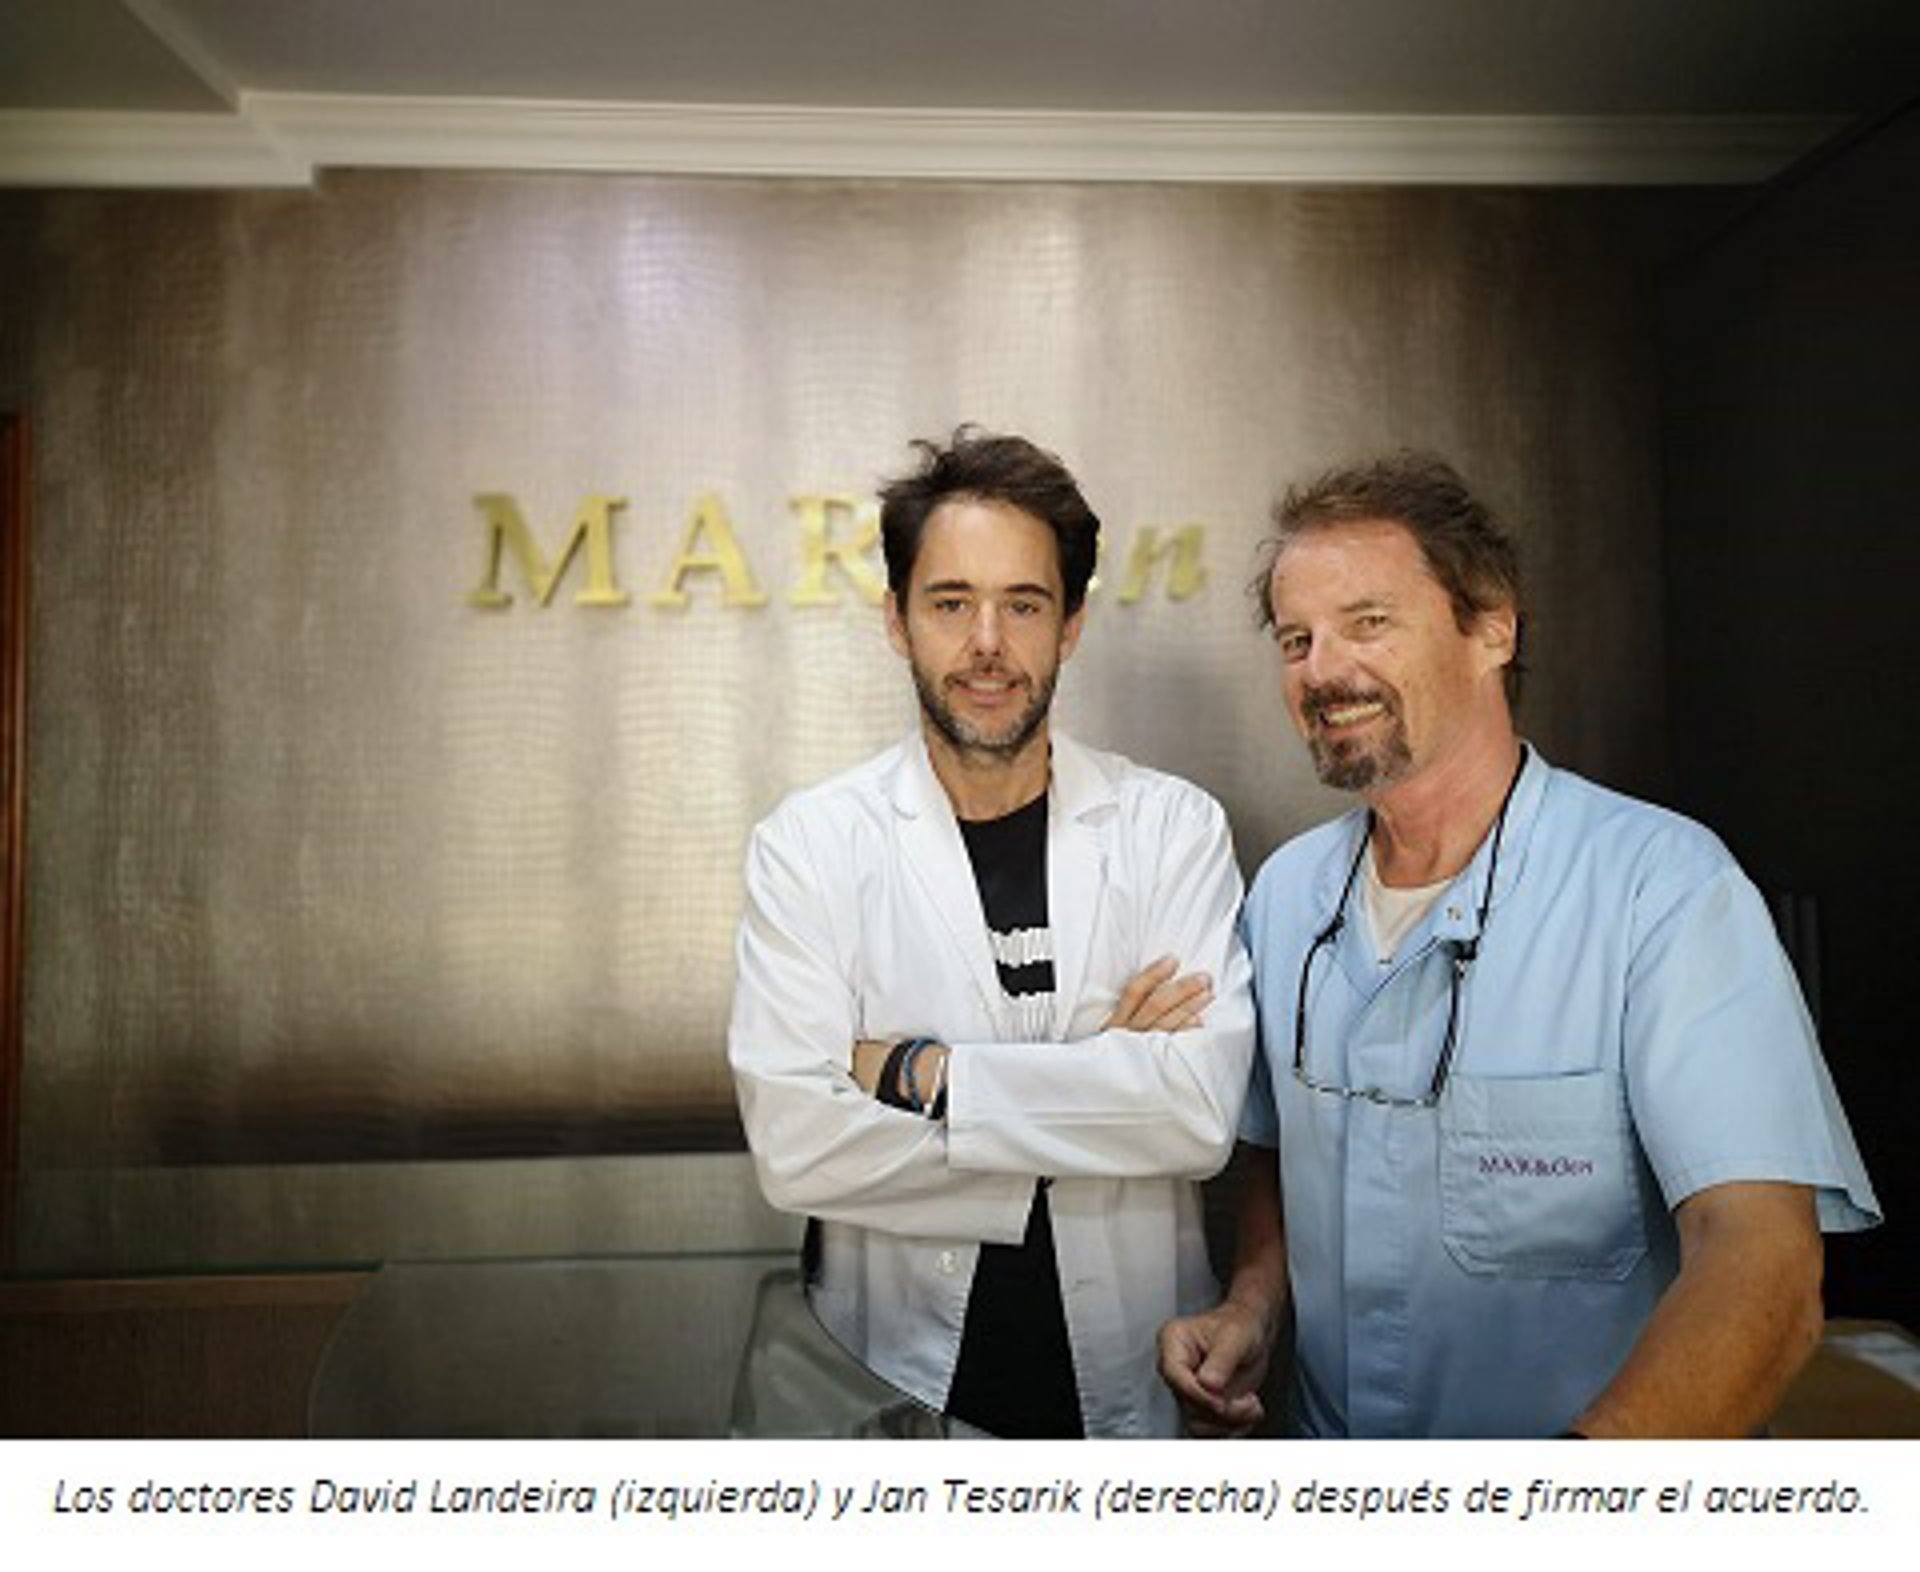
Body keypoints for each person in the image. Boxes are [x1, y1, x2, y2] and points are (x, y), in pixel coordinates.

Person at [1159, 452, 1879, 1438]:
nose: (1322, 669)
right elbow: (1285, 1154)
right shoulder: (1288, 899)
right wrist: (1252, 1305)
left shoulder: (1664, 889)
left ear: (1493, 627)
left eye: (1368, 622)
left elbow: (1765, 1264)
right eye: (1296, 639)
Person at [729, 427, 1254, 1438]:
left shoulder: (1170, 829)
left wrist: (921, 1075)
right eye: (950, 603)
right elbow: (797, 1148)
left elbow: (1195, 1116)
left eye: (1023, 604)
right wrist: (1103, 1080)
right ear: (896, 620)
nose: (987, 643)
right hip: (890, 1387)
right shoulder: (811, 846)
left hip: (1136, 1394)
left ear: (1071, 625)